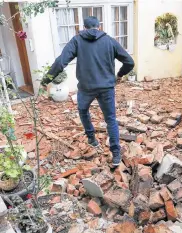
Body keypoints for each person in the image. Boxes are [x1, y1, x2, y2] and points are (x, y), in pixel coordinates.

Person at [41, 16, 134, 166]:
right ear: (99, 26)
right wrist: (120, 75)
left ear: (84, 27)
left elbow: (60, 61)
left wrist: (46, 80)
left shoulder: (77, 40)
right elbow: (129, 62)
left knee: (83, 111)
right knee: (110, 119)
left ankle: (92, 139)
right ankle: (116, 154)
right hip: (106, 88)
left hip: (86, 89)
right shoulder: (109, 41)